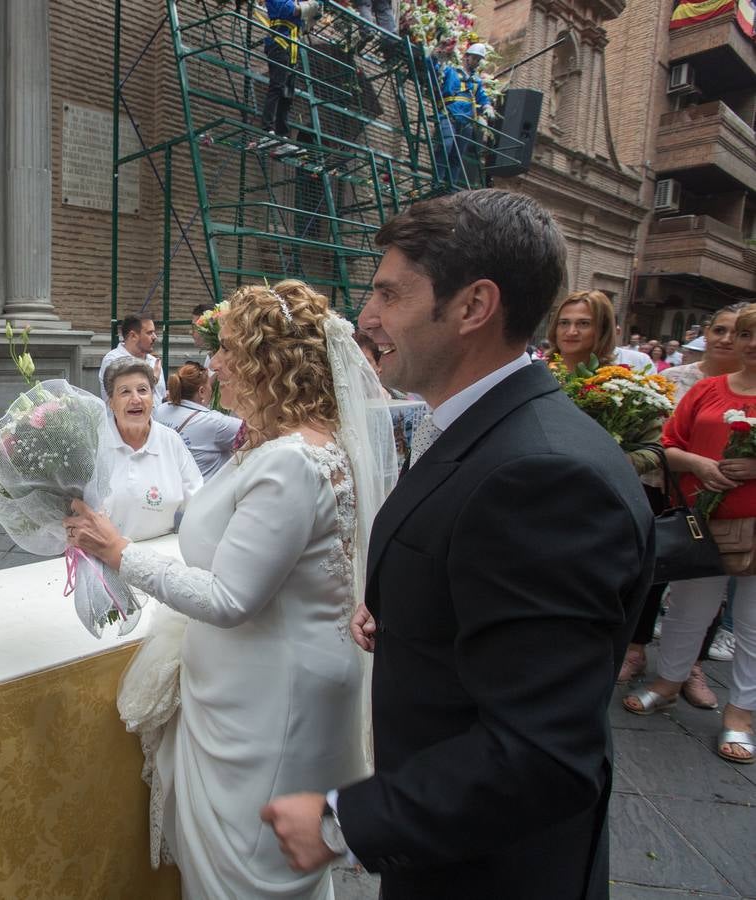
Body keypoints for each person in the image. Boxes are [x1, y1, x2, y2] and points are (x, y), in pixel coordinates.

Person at [261, 190, 653, 899]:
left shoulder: (542, 476)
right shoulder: (483, 427)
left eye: (388, 294)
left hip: (490, 873)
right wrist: (408, 612)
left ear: (473, 307)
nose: (367, 319)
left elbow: (541, 753)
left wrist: (343, 821)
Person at [65, 279, 390, 897]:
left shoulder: (292, 461)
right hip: (253, 687)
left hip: (272, 701)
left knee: (251, 873)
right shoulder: (280, 445)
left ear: (271, 363)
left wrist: (120, 552)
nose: (212, 365)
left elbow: (230, 599)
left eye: (229, 351)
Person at [623, 303, 756, 764]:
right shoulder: (706, 390)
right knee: (686, 610)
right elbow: (667, 446)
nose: (752, 344)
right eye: (745, 335)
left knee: (754, 626)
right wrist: (699, 464)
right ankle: (668, 683)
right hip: (703, 520)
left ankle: (741, 714)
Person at [95, 358, 202, 541]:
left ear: (153, 397)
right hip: (104, 559)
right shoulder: (96, 444)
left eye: (143, 390)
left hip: (161, 559)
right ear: (111, 402)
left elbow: (198, 502)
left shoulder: (170, 441)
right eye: (125, 392)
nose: (136, 399)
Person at [152, 361, 241, 479]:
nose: (212, 389)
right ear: (202, 391)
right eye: (210, 386)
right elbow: (259, 431)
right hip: (202, 494)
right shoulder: (214, 422)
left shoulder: (159, 410)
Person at [258, 1, 323, 149]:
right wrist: (311, 5)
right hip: (280, 45)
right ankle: (267, 132)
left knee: (287, 95)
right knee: (277, 87)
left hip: (291, 48)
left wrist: (315, 11)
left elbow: (306, 26)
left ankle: (282, 137)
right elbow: (290, 11)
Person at [432, 43, 495, 188]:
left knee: (457, 156)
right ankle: (437, 181)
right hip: (449, 115)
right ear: (466, 57)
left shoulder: (476, 80)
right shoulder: (450, 70)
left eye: (479, 60)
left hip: (466, 122)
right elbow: (433, 70)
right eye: (475, 58)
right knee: (445, 146)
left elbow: (482, 97)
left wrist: (487, 106)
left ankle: (450, 186)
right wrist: (435, 56)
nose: (477, 62)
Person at [550, 289, 652, 375]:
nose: (571, 332)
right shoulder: (537, 373)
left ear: (604, 329)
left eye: (584, 323)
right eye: (564, 323)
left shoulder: (625, 379)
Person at [99, 314, 167, 403]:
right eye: (149, 333)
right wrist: (153, 380)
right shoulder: (113, 360)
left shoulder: (154, 362)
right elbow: (124, 399)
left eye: (154, 332)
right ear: (133, 336)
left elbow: (160, 398)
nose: (155, 337)